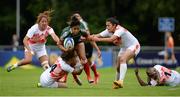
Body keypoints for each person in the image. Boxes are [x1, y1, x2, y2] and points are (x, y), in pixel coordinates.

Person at [91, 17, 140, 88]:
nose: (107, 27)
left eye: (108, 25)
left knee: (123, 59)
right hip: (124, 48)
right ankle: (116, 84)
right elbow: (95, 36)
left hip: (134, 45)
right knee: (117, 67)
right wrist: (85, 38)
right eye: (106, 25)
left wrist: (98, 39)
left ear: (114, 25)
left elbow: (111, 39)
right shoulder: (108, 31)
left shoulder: (120, 30)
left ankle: (121, 81)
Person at [57, 15, 100, 84]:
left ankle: (89, 76)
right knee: (69, 61)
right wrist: (65, 50)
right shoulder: (66, 33)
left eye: (78, 29)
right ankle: (69, 77)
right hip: (68, 47)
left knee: (84, 58)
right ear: (71, 28)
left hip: (78, 43)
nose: (77, 30)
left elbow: (89, 38)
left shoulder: (82, 31)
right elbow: (58, 44)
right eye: (75, 29)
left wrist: (96, 45)